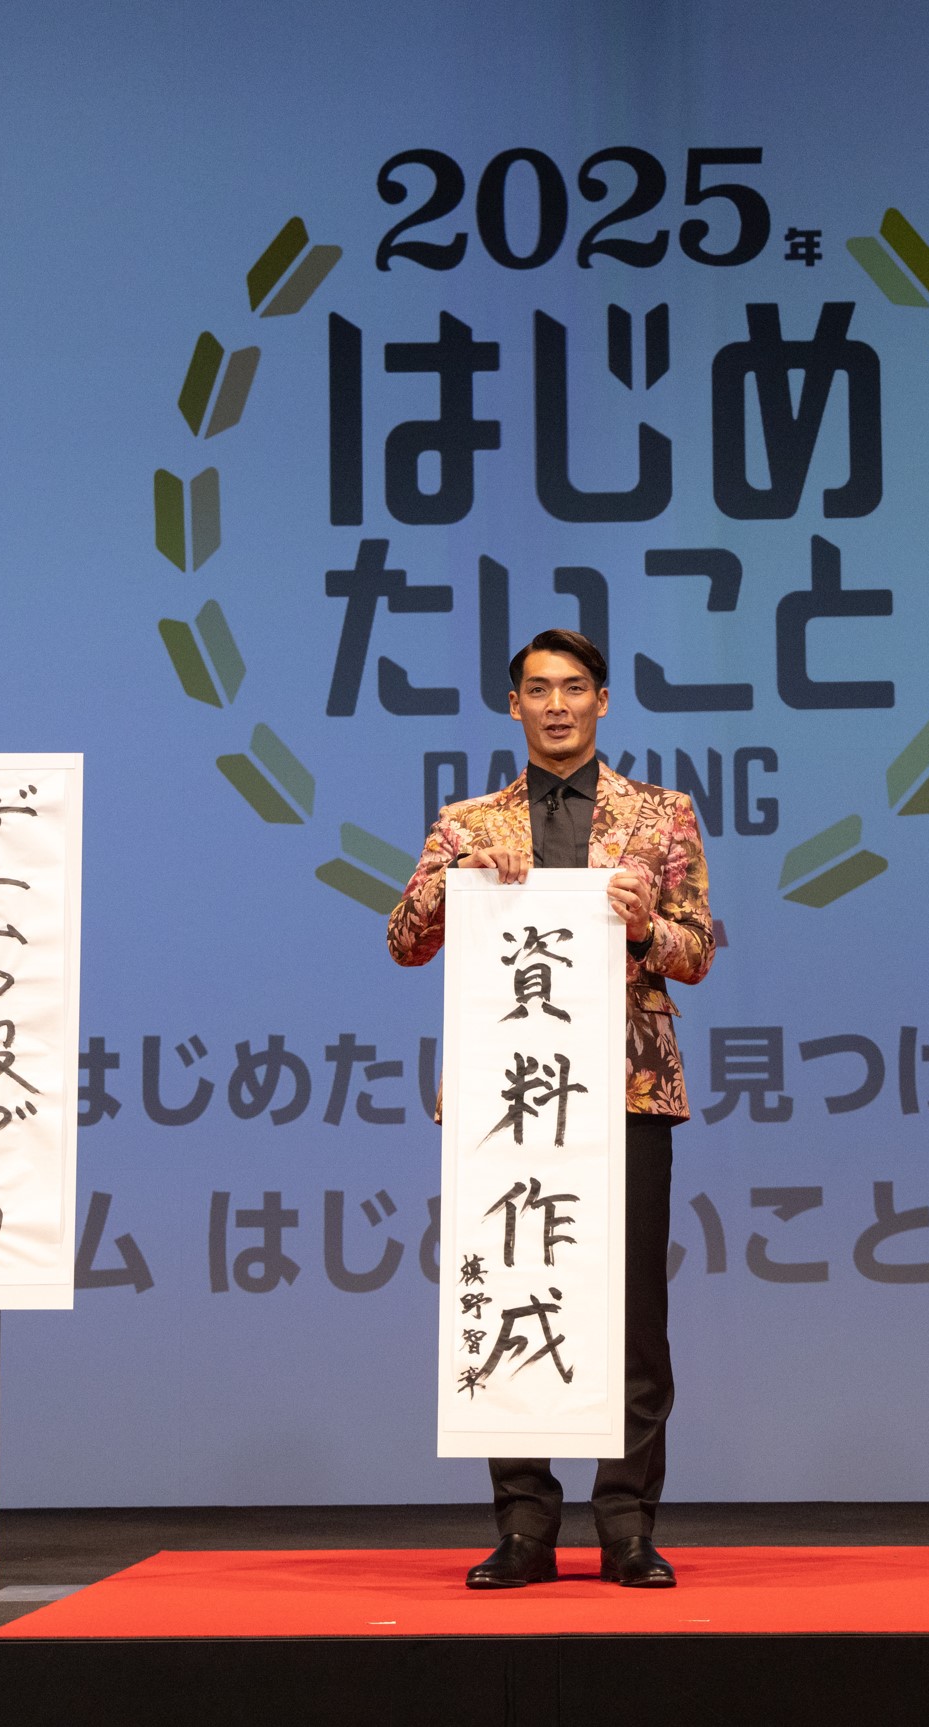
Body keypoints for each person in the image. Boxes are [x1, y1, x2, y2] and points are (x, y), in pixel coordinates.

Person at [387, 627, 715, 1590]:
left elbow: (698, 949)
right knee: (510, 1288)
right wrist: (455, 884)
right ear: (514, 705)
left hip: (626, 1090)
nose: (558, 705)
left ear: (603, 700)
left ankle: (627, 1526)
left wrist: (644, 927)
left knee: (632, 1313)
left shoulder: (661, 815)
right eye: (538, 689)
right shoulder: (468, 823)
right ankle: (524, 1526)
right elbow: (404, 940)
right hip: (506, 1095)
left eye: (574, 687)